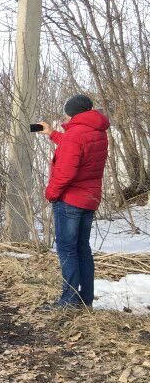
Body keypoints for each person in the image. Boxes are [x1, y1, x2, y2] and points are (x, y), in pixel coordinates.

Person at [39, 95, 110, 309]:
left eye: (66, 112)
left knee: (67, 250)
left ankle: (69, 301)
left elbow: (66, 171)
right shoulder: (97, 131)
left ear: (73, 112)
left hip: (70, 200)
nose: (65, 116)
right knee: (82, 249)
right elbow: (77, 147)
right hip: (89, 198)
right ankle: (85, 300)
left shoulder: (75, 134)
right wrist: (52, 134)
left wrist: (51, 193)